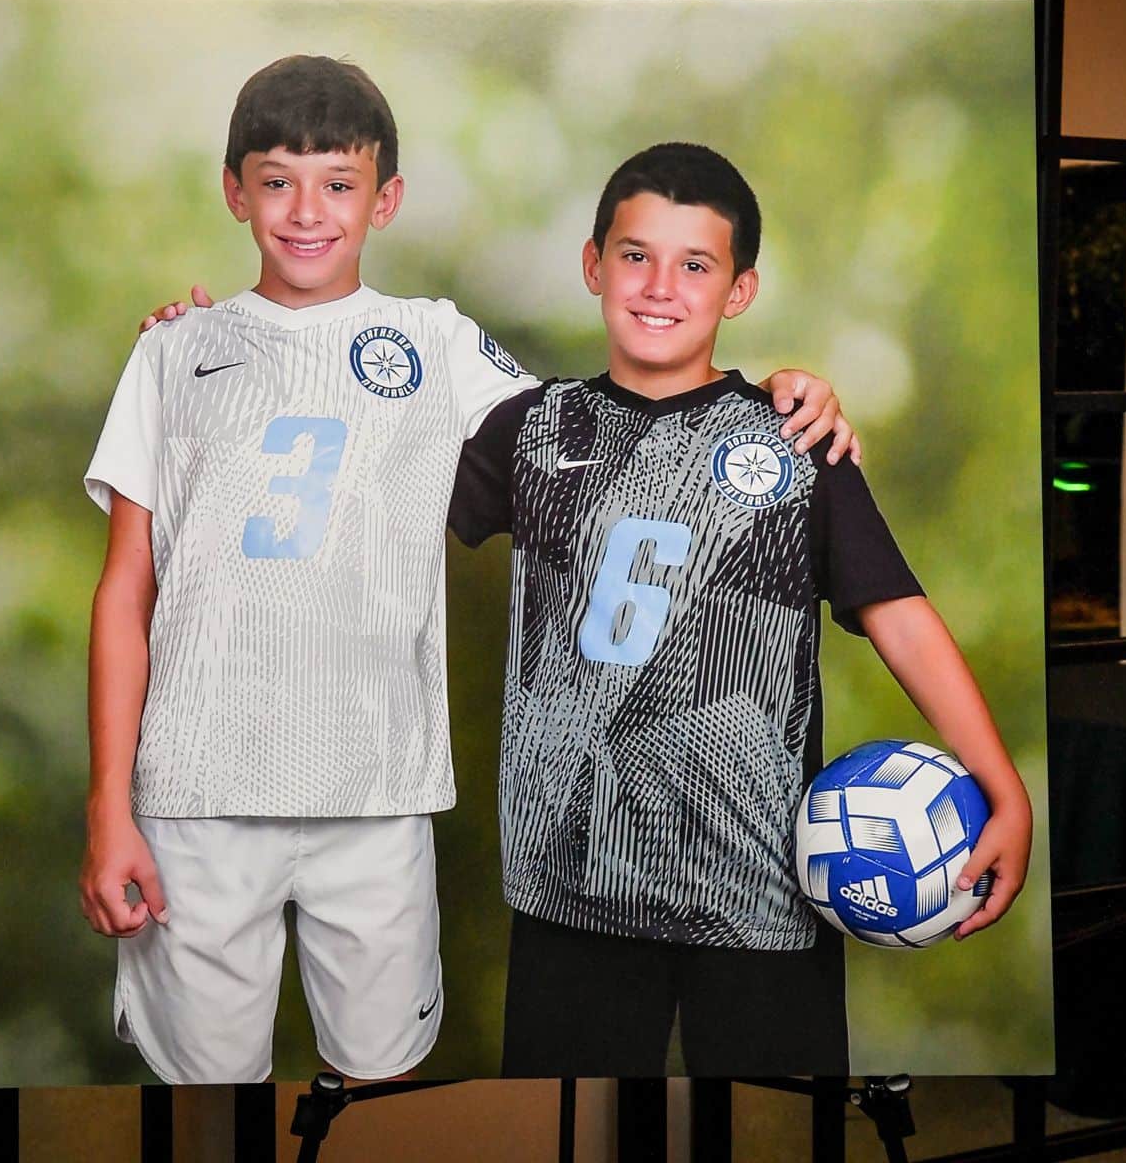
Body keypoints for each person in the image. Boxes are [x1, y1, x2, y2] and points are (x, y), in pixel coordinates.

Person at [80, 57, 852, 1084]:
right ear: (234, 191)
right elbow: (124, 591)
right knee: (203, 1094)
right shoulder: (173, 356)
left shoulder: (433, 342)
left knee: (382, 1083)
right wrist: (108, 805)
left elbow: (614, 433)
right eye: (276, 182)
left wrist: (776, 395)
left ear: (386, 198)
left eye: (338, 183)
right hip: (194, 791)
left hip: (378, 786)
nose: (307, 210)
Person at [447, 143, 1034, 1077]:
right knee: (569, 1127)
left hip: (758, 886)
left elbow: (897, 613)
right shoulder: (530, 430)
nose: (660, 286)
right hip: (570, 885)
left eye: (695, 265)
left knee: (774, 1128)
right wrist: (222, 350)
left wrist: (1003, 786)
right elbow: (375, 505)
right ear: (594, 265)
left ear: (740, 290)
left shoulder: (794, 440)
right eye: (636, 255)